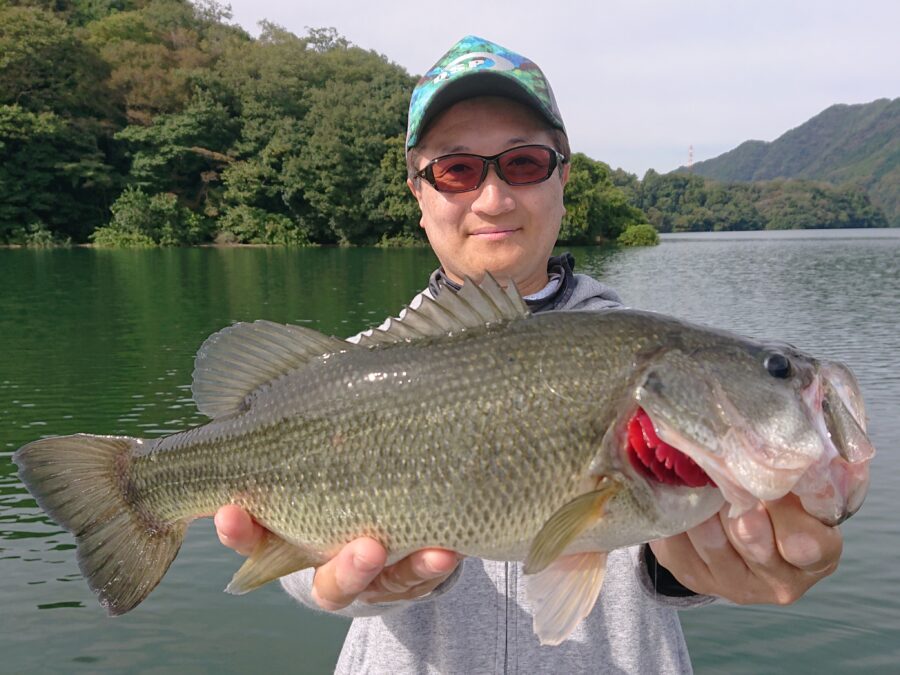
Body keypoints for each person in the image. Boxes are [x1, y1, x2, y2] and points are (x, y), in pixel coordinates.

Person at [215, 36, 843, 672]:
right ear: (418, 193)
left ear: (563, 176)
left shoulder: (634, 353)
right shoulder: (347, 372)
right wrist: (342, 587)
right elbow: (289, 559)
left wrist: (705, 565)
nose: (492, 199)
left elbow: (667, 545)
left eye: (522, 164)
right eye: (457, 170)